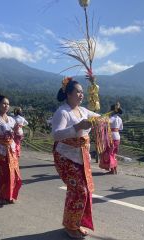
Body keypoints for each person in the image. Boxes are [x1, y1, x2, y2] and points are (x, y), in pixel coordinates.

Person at [51, 77, 99, 239]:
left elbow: (99, 117)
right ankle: (70, 225)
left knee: (82, 191)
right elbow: (56, 135)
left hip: (81, 157)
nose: (81, 95)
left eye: (83, 92)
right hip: (65, 156)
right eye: (78, 91)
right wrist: (78, 127)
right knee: (80, 191)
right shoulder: (62, 112)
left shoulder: (83, 111)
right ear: (68, 94)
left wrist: (109, 114)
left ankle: (74, 223)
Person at [0, 95, 22, 205]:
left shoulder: (12, 119)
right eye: (3, 103)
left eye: (8, 103)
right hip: (0, 150)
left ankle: (10, 195)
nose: (6, 105)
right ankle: (1, 196)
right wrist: (0, 139)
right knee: (5, 173)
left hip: (12, 150)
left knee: (14, 173)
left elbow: (19, 136)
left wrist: (17, 131)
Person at [99, 103, 123, 174]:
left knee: (109, 153)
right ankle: (114, 168)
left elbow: (104, 122)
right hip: (117, 136)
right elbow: (121, 128)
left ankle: (112, 169)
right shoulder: (120, 119)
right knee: (113, 153)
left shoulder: (111, 118)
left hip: (111, 136)